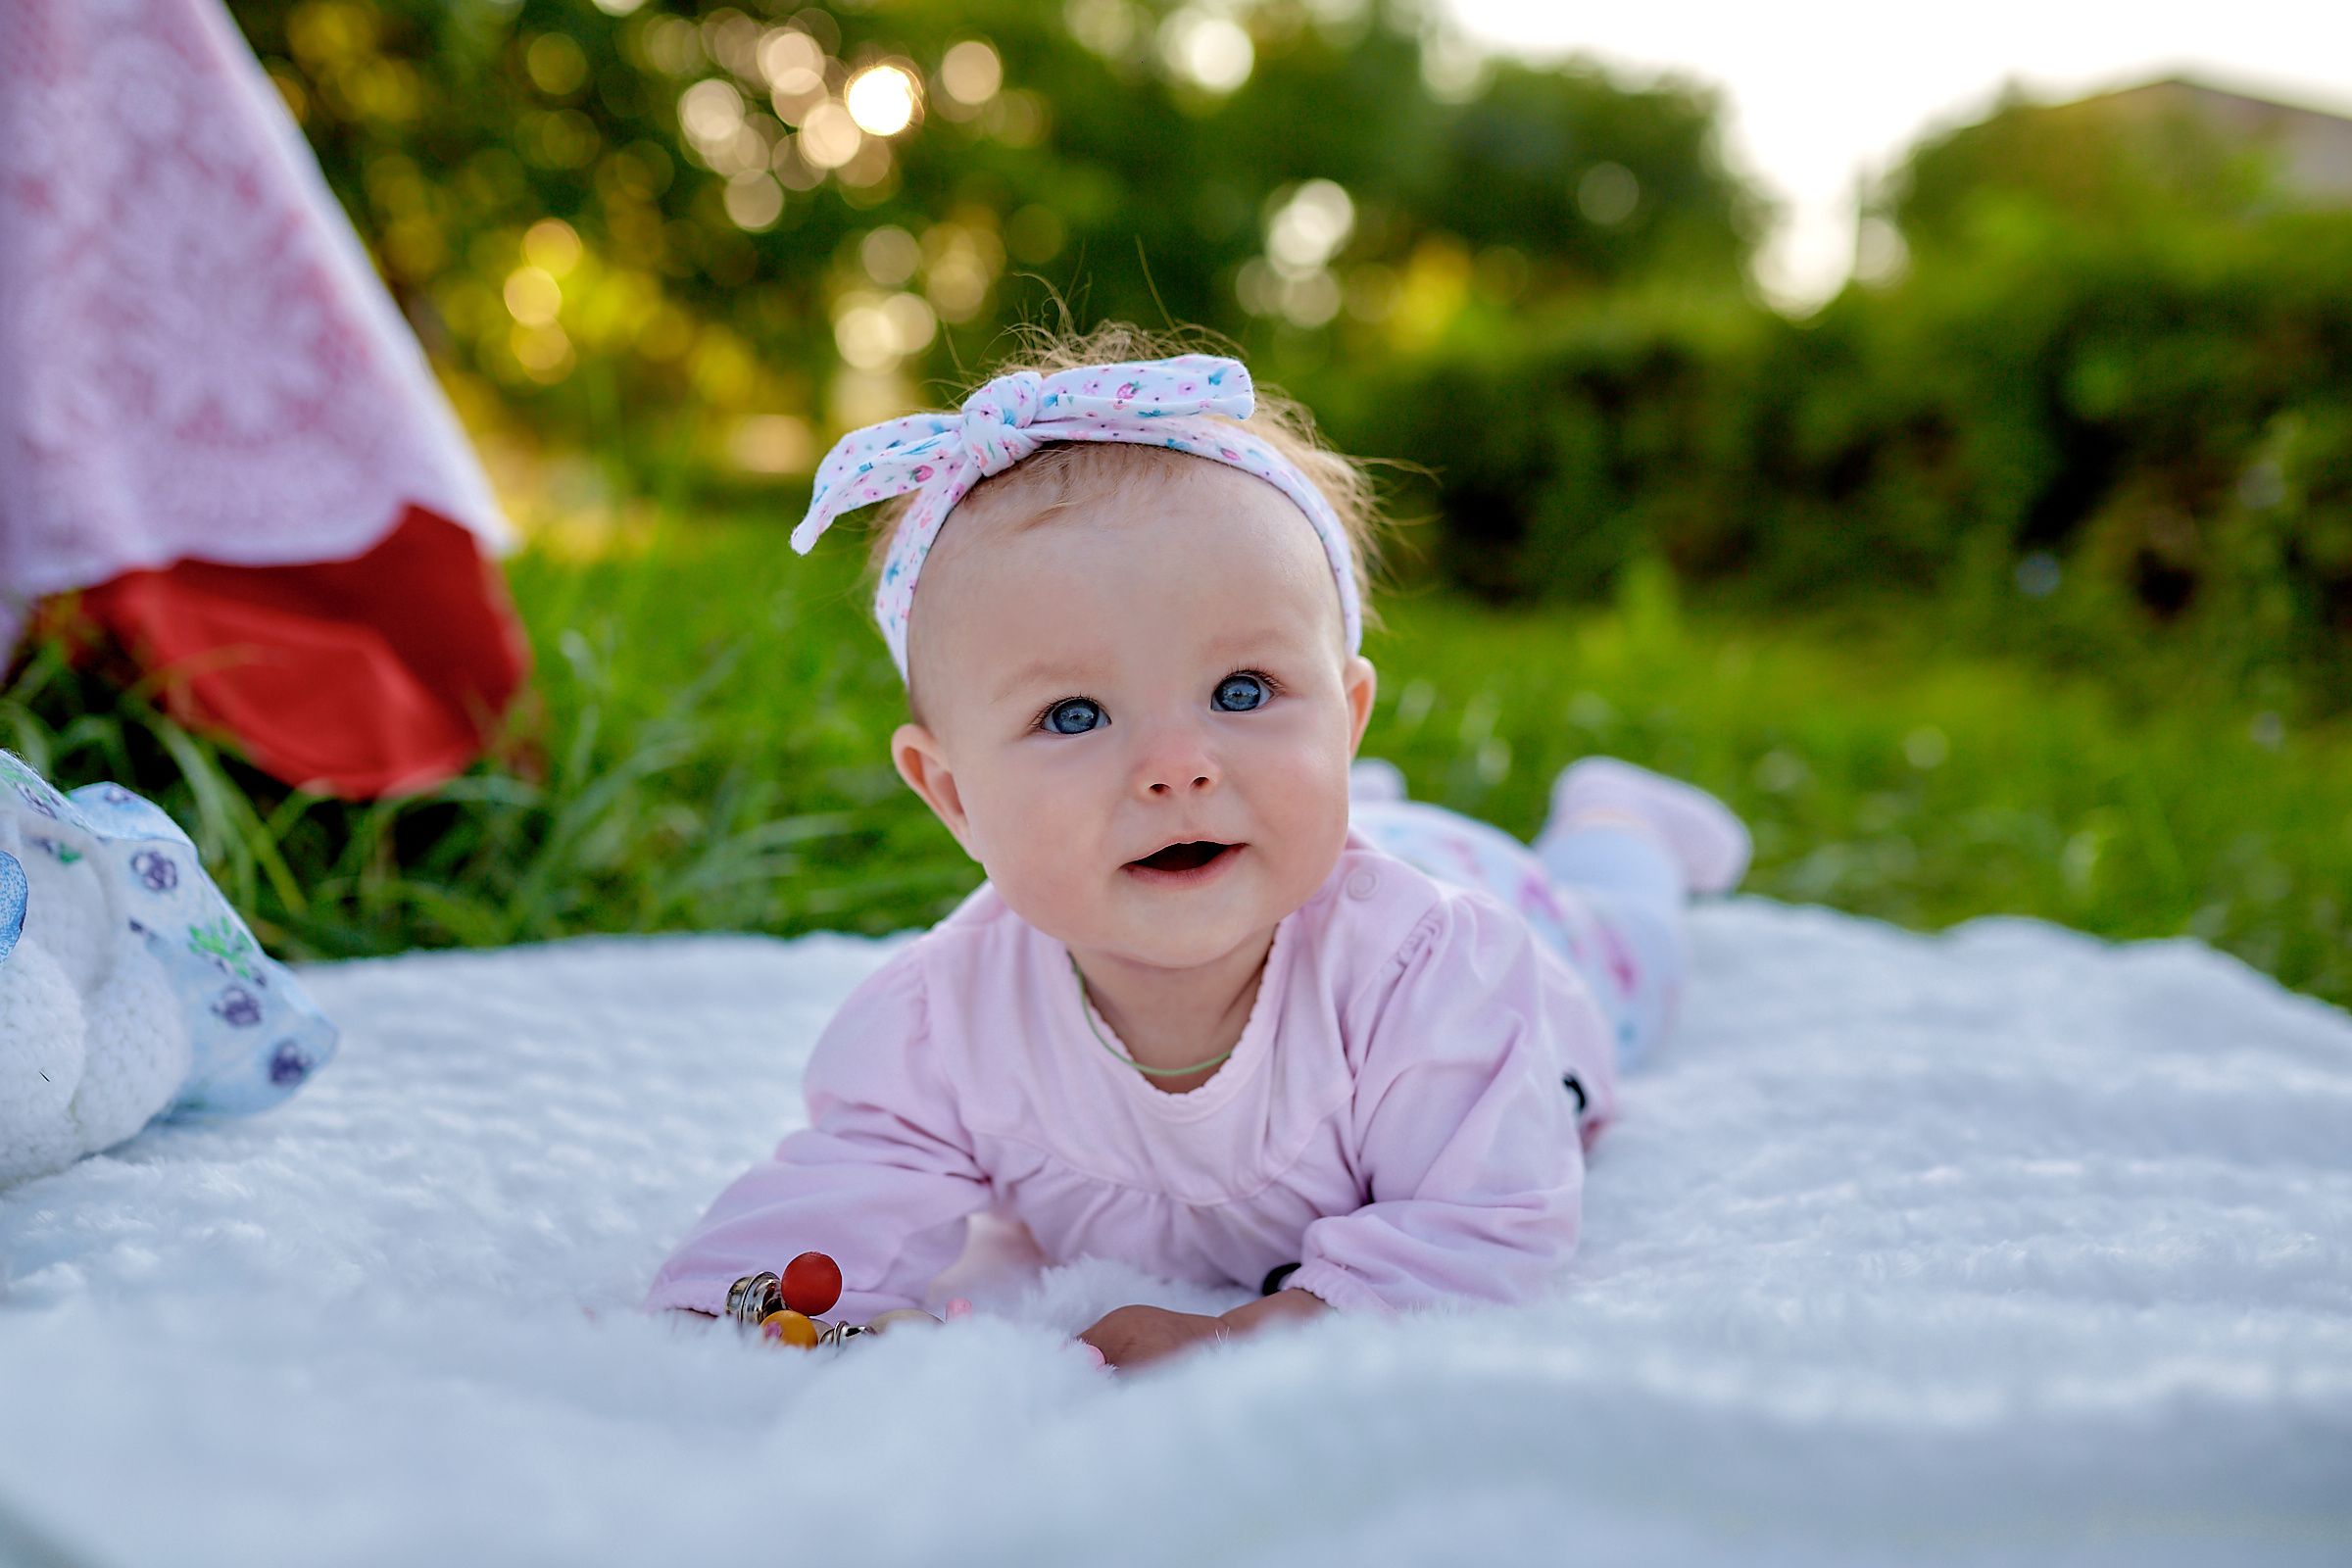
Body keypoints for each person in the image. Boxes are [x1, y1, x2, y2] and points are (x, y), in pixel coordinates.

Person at [647, 329, 1748, 1367]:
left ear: (1345, 713)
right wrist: (739, 1311)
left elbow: (1481, 1221)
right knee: (1268, 813)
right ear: (952, 794)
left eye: (1242, 692)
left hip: (1474, 892)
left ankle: (1619, 823)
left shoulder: (1442, 979)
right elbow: (831, 1212)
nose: (1176, 764)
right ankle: (1346, 786)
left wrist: (1258, 1331)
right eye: (1075, 715)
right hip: (1291, 837)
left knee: (1630, 948)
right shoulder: (945, 1030)